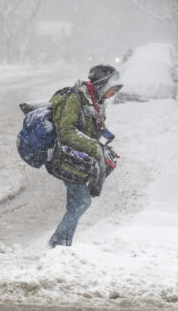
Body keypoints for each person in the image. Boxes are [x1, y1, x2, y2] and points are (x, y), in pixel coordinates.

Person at [48, 64, 123, 248]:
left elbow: (94, 130)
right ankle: (57, 241)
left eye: (115, 90)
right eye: (111, 89)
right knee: (82, 201)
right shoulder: (75, 97)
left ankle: (64, 245)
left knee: (74, 204)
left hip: (82, 159)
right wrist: (94, 147)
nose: (112, 93)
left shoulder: (97, 102)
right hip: (68, 158)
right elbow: (65, 130)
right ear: (100, 85)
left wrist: (103, 140)